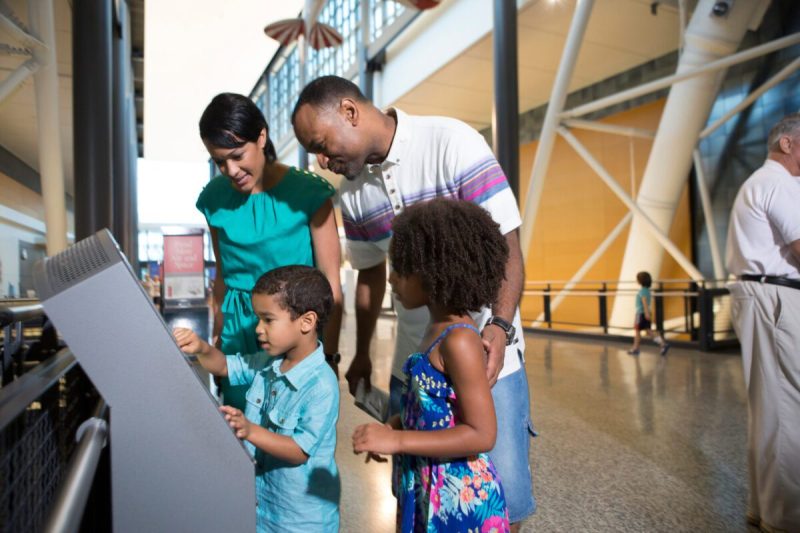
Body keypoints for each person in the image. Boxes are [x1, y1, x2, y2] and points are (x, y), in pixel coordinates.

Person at [292, 75, 536, 529]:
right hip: (415, 361)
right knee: (418, 490)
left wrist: (500, 328)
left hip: (485, 355)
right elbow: (370, 276)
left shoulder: (452, 142)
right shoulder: (352, 193)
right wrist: (362, 353)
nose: (322, 160)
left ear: (349, 112)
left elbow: (508, 248)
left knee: (503, 498)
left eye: (321, 145)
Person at [353, 199, 510, 532]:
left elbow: (482, 434)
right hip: (428, 483)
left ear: (433, 270)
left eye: (401, 269)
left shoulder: (460, 339)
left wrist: (398, 442)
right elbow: (433, 409)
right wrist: (393, 426)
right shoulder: (435, 328)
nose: (391, 278)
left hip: (458, 499)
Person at [197, 92, 343, 411]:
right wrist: (218, 336)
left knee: (293, 426)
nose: (231, 169)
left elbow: (332, 286)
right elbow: (222, 278)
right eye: (220, 161)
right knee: (240, 426)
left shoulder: (309, 193)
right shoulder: (213, 200)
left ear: (261, 137)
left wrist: (329, 356)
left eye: (237, 155)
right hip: (238, 333)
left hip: (294, 331)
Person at [174, 265, 340, 532]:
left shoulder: (322, 385)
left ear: (306, 322)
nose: (258, 329)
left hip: (299, 522)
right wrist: (202, 348)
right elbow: (225, 366)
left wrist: (250, 430)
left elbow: (299, 451)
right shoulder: (268, 362)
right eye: (258, 319)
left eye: (268, 320)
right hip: (262, 509)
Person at [725, 113, 800, 533]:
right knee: (787, 408)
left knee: (771, 407)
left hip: (761, 295)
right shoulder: (779, 183)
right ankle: (786, 517)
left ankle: (765, 507)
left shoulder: (762, 182)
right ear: (787, 144)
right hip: (775, 297)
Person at [627, 271, 669, 356]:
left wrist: (646, 313)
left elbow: (644, 302)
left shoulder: (642, 291)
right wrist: (647, 313)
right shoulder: (647, 290)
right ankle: (662, 344)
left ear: (640, 281)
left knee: (637, 331)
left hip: (641, 314)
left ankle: (636, 349)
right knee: (649, 331)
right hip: (645, 313)